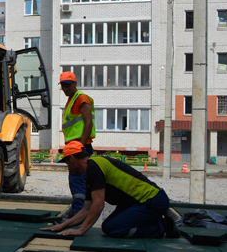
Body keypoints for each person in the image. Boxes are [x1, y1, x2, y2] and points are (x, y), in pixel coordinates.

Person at [42, 141, 175, 239]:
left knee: (114, 228)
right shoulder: (91, 172)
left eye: (67, 164)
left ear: (72, 159)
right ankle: (155, 220)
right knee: (108, 226)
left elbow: (98, 205)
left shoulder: (94, 167)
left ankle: (162, 228)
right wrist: (64, 225)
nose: (68, 168)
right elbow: (86, 209)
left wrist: (81, 230)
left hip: (152, 201)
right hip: (136, 203)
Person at [59, 71, 95, 217]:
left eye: (67, 85)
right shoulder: (72, 99)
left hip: (79, 147)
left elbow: (88, 123)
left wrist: (80, 147)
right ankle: (78, 210)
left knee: (78, 179)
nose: (65, 89)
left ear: (74, 84)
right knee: (77, 180)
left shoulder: (81, 98)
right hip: (75, 147)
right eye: (62, 86)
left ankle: (79, 212)